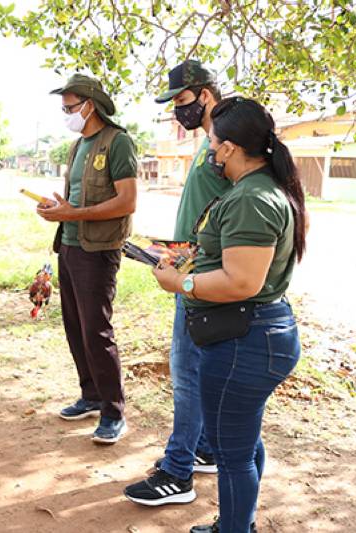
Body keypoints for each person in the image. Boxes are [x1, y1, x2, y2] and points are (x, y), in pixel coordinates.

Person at [151, 96, 306, 532]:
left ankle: (234, 528)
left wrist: (181, 283)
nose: (210, 152)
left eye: (214, 143)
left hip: (245, 339)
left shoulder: (252, 198)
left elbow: (242, 282)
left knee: (231, 452)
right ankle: (240, 524)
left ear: (231, 149)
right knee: (243, 438)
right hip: (255, 334)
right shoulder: (259, 192)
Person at [125, 59, 230, 506]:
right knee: (196, 374)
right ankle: (202, 449)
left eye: (182, 102)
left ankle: (177, 472)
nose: (177, 113)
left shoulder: (228, 144)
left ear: (206, 94)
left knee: (187, 375)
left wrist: (193, 262)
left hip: (203, 278)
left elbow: (235, 214)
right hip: (190, 264)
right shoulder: (211, 141)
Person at [38, 74, 137, 444]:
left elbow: (127, 202)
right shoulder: (77, 146)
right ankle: (91, 395)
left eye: (70, 107)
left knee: (97, 329)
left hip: (99, 250)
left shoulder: (118, 142)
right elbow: (75, 201)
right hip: (71, 246)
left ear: (90, 105)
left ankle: (114, 411)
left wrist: (73, 214)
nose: (66, 114)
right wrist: (58, 210)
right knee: (75, 326)